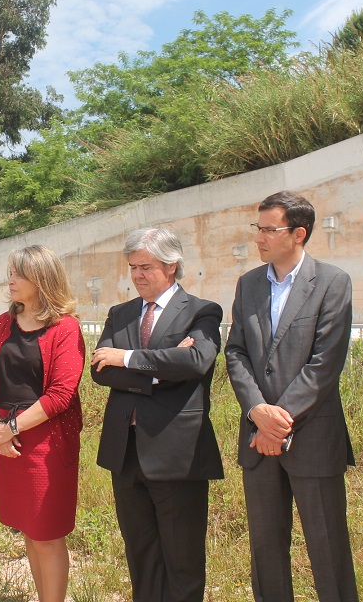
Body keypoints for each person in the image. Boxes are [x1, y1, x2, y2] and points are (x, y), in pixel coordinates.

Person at [224, 191, 358, 602]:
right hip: (258, 436)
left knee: (328, 548)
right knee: (265, 549)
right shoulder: (249, 284)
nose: (259, 237)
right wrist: (257, 411)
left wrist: (277, 422)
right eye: (258, 228)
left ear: (298, 233)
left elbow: (324, 364)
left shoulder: (332, 282)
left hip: (313, 437)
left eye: (269, 229)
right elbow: (236, 352)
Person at [90, 227, 223, 602]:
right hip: (125, 451)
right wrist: (163, 370)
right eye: (132, 267)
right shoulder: (121, 313)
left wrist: (129, 358)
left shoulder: (202, 311)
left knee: (182, 560)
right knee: (141, 555)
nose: (137, 276)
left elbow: (197, 361)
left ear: (171, 266)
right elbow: (101, 371)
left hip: (177, 453)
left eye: (145, 267)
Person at [0, 245, 85, 602]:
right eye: (10, 272)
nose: (10, 280)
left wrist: (11, 428)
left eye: (18, 273)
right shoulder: (1, 324)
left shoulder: (65, 328)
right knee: (28, 530)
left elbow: (60, 395)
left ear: (41, 280)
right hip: (6, 442)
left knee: (47, 535)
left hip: (47, 446)